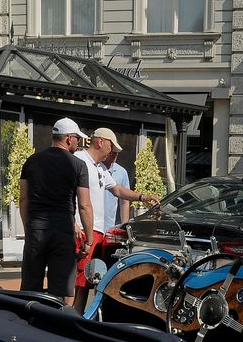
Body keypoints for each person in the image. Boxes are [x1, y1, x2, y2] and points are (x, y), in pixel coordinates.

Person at [73, 127, 161, 309]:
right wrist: (74, 223)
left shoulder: (99, 168)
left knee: (85, 282)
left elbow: (118, 190)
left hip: (95, 231)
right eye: (111, 148)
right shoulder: (80, 161)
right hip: (82, 230)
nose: (113, 153)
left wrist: (143, 197)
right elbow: (69, 196)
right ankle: (66, 319)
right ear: (101, 142)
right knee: (75, 281)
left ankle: (75, 319)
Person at [19, 118, 94, 304]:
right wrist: (89, 239)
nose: (78, 142)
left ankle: (26, 325)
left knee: (30, 286)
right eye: (77, 138)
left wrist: (29, 228)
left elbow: (23, 199)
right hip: (62, 230)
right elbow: (85, 205)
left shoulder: (31, 161)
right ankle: (56, 326)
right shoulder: (78, 165)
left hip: (36, 228)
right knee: (61, 290)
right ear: (69, 139)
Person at [102, 148, 131, 232]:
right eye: (112, 152)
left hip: (109, 227)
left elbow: (125, 201)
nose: (114, 155)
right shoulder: (95, 167)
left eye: (116, 152)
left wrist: (124, 226)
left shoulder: (121, 172)